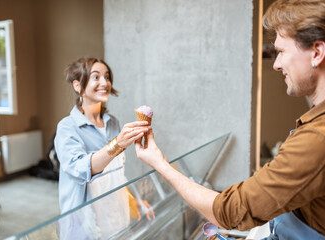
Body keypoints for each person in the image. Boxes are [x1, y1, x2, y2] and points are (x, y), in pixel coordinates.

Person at [135, 0, 325, 239]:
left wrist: (159, 163)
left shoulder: (316, 139)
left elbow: (230, 212)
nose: (276, 64)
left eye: (281, 51)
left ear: (317, 53)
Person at [54, 57, 153, 239]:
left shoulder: (113, 123)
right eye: (96, 77)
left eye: (107, 77)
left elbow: (115, 175)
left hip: (114, 220)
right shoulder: (67, 127)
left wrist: (132, 202)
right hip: (83, 225)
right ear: (78, 86)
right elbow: (81, 169)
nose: (104, 83)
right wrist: (118, 144)